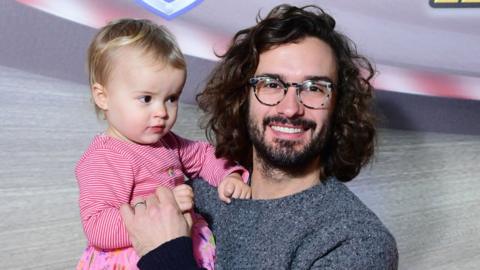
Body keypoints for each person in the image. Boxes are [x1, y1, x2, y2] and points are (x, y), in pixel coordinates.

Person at [121, 4, 399, 269]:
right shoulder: (196, 190)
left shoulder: (357, 242)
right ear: (243, 98)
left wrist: (166, 255)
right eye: (271, 84)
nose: (290, 108)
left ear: (338, 105)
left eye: (315, 88)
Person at [75, 19, 251, 270]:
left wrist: (228, 176)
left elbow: (202, 155)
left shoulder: (168, 143)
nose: (162, 112)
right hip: (135, 257)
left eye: (171, 98)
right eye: (146, 98)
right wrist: (164, 207)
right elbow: (98, 226)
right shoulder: (106, 158)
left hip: (182, 248)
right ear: (103, 97)